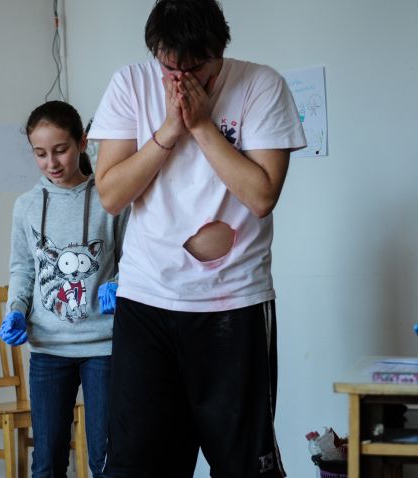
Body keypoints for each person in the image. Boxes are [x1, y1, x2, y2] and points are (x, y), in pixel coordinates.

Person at [87, 0, 307, 476]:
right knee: (139, 463)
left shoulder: (261, 85)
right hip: (146, 299)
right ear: (156, 53)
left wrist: (203, 125)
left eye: (196, 70)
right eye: (170, 68)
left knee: (242, 462)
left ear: (219, 52)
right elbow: (111, 195)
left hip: (234, 303)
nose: (181, 81)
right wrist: (169, 129)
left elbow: (261, 195)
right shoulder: (131, 83)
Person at [0, 101, 129, 478]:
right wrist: (16, 310)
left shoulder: (110, 199)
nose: (51, 163)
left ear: (82, 143)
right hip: (48, 348)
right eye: (40, 154)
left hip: (104, 346)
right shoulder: (26, 206)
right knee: (47, 461)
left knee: (106, 459)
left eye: (60, 150)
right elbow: (23, 268)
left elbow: (133, 259)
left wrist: (119, 285)